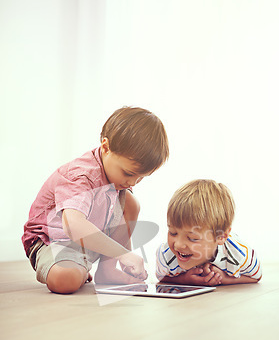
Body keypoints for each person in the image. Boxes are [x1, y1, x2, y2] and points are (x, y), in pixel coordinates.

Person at [22, 106, 169, 294]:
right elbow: (73, 226)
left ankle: (106, 271)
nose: (133, 182)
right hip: (53, 241)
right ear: (106, 147)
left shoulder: (119, 181)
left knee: (131, 202)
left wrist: (125, 257)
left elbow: (120, 219)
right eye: (128, 173)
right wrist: (123, 254)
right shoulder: (81, 175)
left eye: (141, 177)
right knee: (65, 281)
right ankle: (76, 269)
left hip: (88, 242)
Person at [156, 179, 262, 286]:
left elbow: (256, 276)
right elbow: (161, 278)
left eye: (193, 238)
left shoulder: (239, 254)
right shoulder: (166, 254)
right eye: (173, 233)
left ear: (221, 236)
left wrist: (225, 278)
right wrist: (184, 279)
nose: (178, 244)